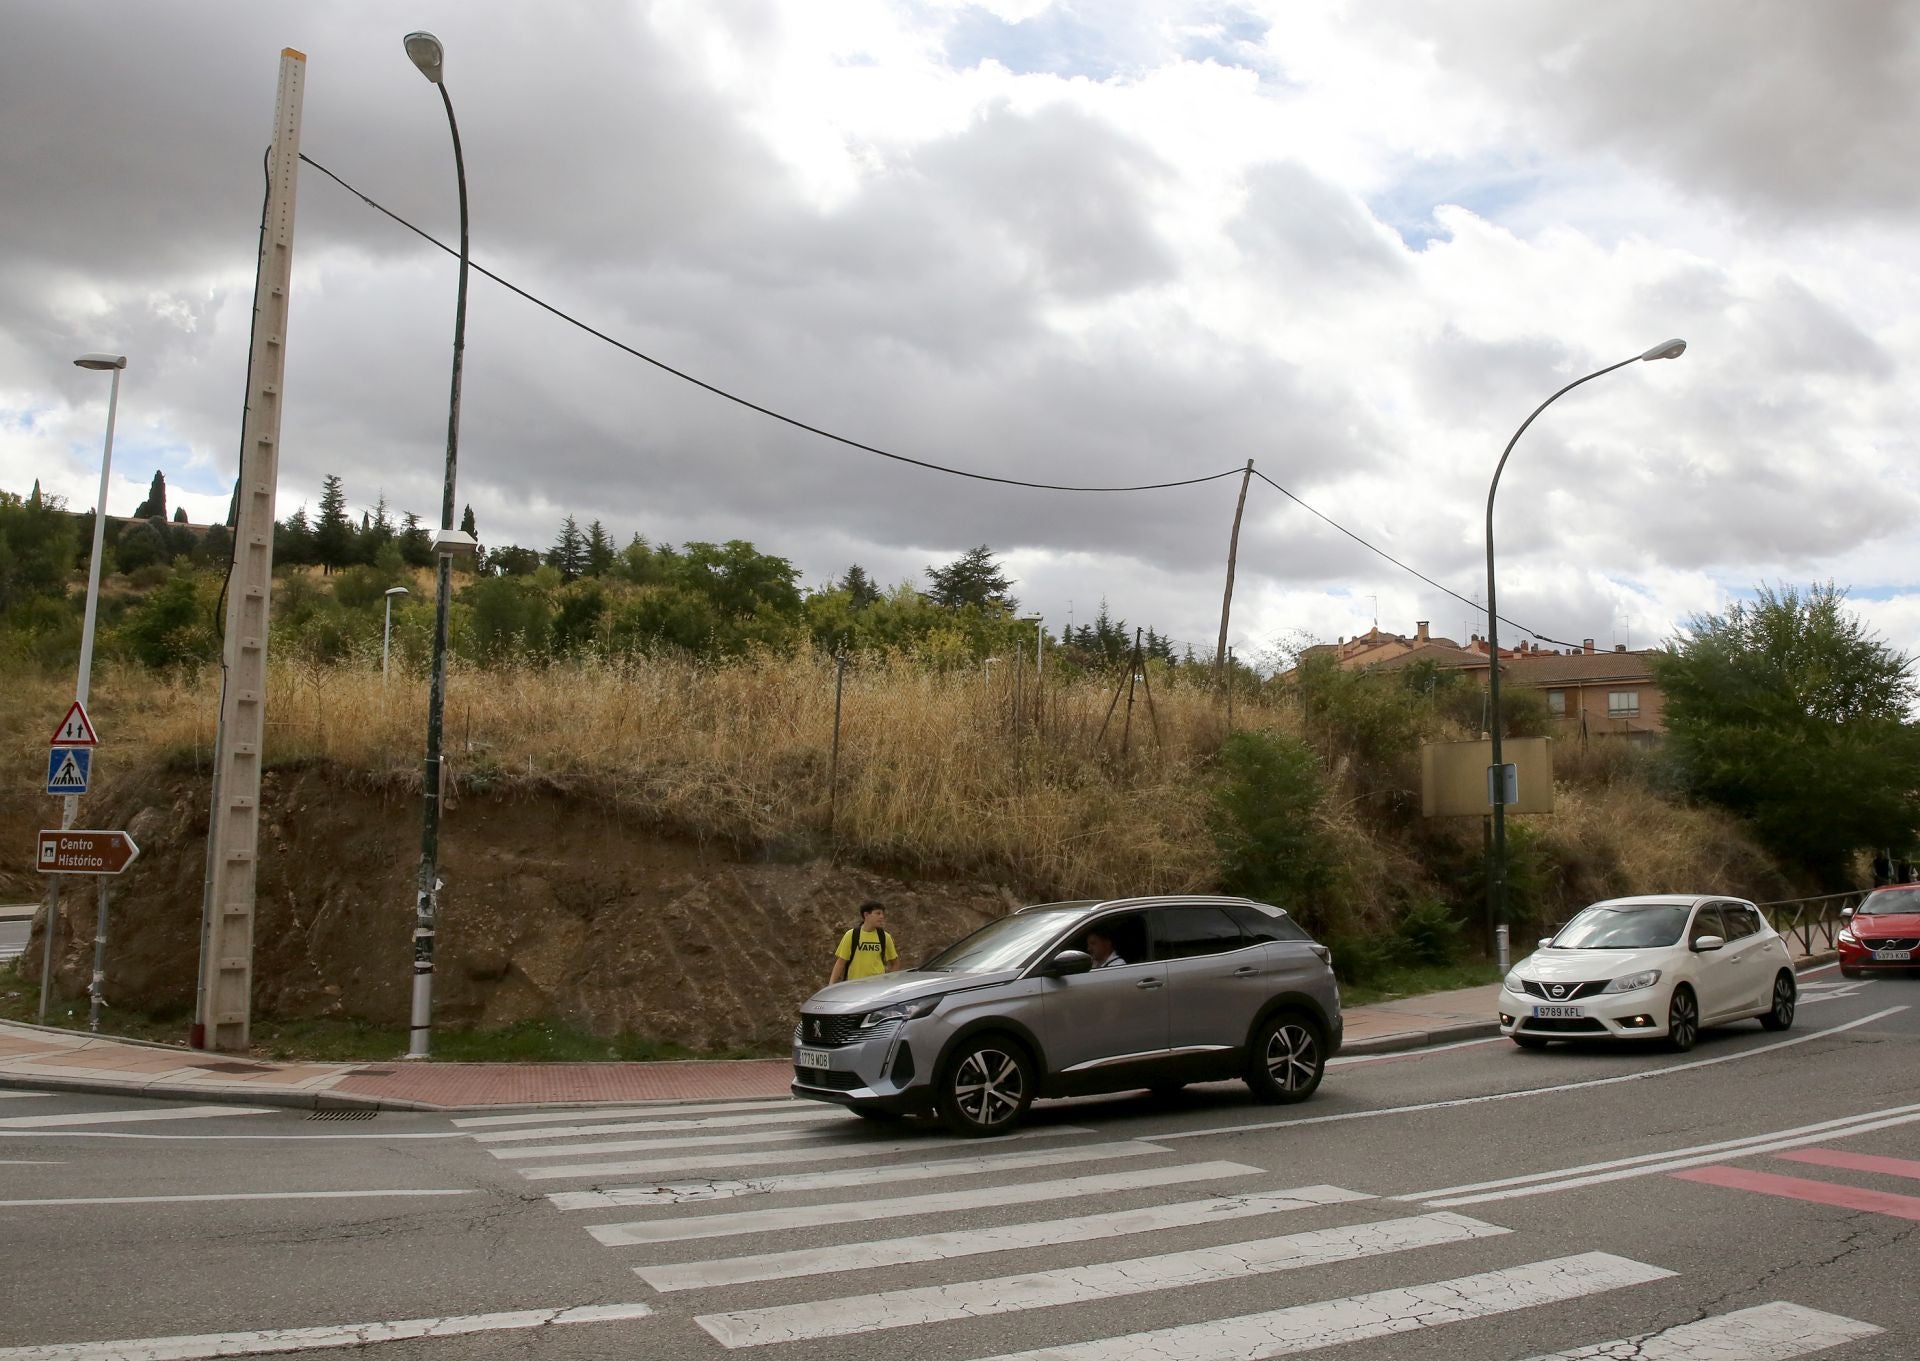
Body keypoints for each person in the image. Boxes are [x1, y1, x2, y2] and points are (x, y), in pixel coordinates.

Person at [828, 901, 900, 985]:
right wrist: (831, 985)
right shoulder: (851, 935)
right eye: (878, 913)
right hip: (854, 987)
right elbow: (840, 963)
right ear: (866, 915)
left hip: (877, 988)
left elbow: (895, 963)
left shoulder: (885, 937)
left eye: (882, 914)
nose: (882, 917)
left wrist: (888, 981)